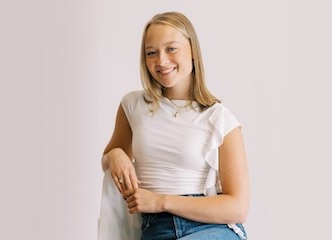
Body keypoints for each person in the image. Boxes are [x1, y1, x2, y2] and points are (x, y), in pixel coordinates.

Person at [101, 11, 249, 240]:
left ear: (192, 52)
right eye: (151, 52)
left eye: (171, 49)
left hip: (209, 228)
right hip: (155, 229)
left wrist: (160, 201)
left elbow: (238, 207)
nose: (161, 61)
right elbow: (108, 160)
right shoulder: (133, 106)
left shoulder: (220, 118)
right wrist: (115, 155)